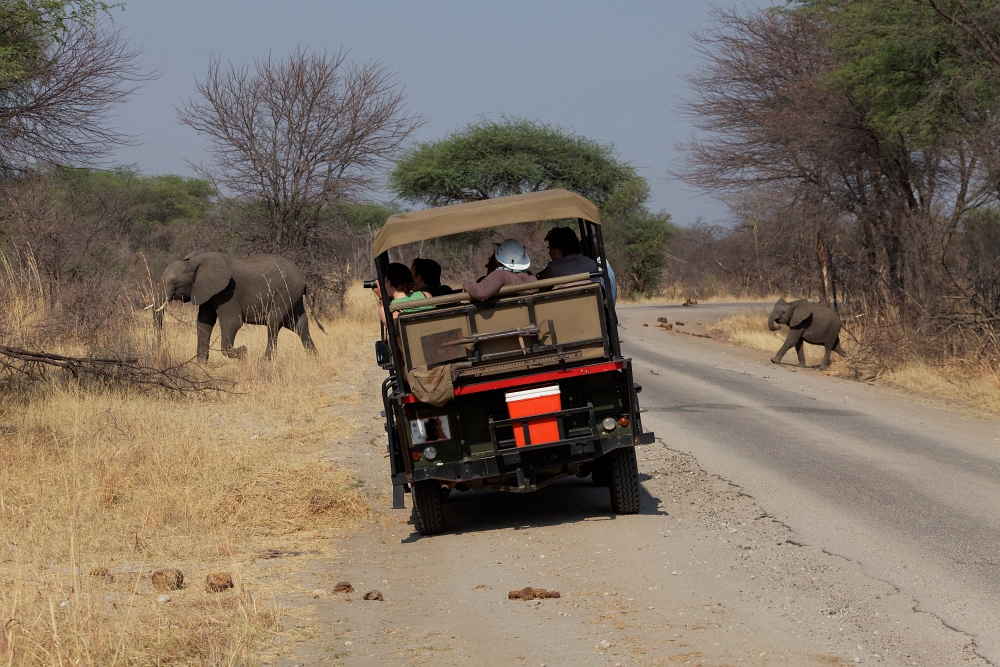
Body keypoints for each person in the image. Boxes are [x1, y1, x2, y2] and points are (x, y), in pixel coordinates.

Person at [463, 239, 536, 300]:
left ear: (498, 260)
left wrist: (466, 284)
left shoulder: (501, 274)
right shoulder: (531, 277)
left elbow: (481, 293)